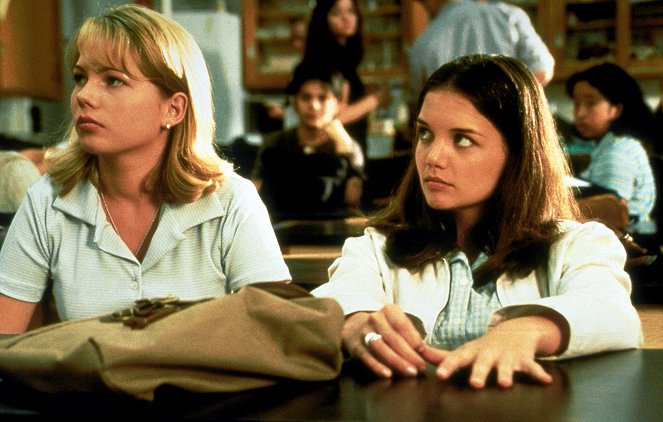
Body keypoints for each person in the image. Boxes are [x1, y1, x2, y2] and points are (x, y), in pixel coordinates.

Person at [312, 55, 641, 388]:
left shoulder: (578, 244)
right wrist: (356, 321)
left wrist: (528, 330)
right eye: (425, 134)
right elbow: (339, 297)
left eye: (462, 139)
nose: (433, 158)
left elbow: (612, 312)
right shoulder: (376, 247)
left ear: (518, 152)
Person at [0, 4, 291, 334]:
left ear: (173, 109)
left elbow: (278, 338)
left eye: (114, 80)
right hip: (88, 371)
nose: (83, 96)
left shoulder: (232, 201)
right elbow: (4, 342)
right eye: (81, 78)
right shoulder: (48, 199)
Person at [252, 63, 365, 222]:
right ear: (295, 101)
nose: (313, 105)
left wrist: (344, 148)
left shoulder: (348, 145)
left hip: (332, 230)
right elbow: (256, 195)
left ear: (338, 104)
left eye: (323, 98)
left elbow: (353, 200)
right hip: (282, 229)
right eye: (306, 97)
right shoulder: (276, 143)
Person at [565, 62, 657, 237]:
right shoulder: (613, 146)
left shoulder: (618, 151)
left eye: (590, 103)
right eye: (576, 104)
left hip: (629, 245)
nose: (580, 113)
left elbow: (610, 213)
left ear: (616, 109)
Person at [408, 0, 555, 103]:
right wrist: (511, 102)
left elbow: (419, 104)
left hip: (457, 129)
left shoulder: (422, 44)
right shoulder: (508, 15)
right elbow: (542, 68)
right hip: (512, 126)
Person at [298, 0, 391, 152]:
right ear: (323, 19)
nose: (346, 18)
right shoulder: (325, 60)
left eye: (351, 11)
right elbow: (330, 118)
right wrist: (375, 99)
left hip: (351, 145)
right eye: (336, 13)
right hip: (336, 150)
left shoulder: (345, 57)